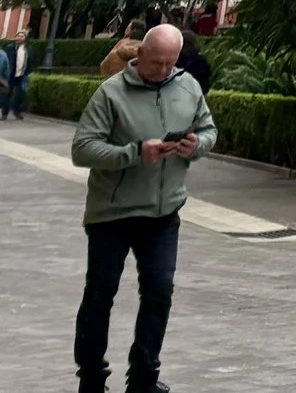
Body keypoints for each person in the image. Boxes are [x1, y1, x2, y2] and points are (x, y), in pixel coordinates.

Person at [72, 23, 216, 393]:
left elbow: (209, 129)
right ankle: (91, 377)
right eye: (156, 62)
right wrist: (135, 153)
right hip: (113, 213)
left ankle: (144, 377)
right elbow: (82, 149)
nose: (163, 71)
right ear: (140, 55)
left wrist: (195, 144)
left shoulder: (188, 86)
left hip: (163, 213)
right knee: (100, 294)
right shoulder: (111, 93)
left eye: (170, 63)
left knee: (159, 292)